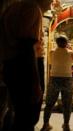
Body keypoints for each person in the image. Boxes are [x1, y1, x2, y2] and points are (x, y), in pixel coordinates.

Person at [0, 1, 46, 130]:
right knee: (28, 116)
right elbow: (26, 46)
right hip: (25, 66)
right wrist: (35, 83)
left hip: (12, 65)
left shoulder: (10, 8)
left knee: (18, 112)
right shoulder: (32, 8)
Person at [41, 35, 73, 131]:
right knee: (67, 104)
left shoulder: (51, 52)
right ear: (66, 43)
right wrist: (70, 48)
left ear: (57, 43)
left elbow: (51, 61)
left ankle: (46, 124)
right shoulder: (71, 53)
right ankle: (66, 125)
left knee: (49, 103)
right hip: (67, 79)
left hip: (54, 79)